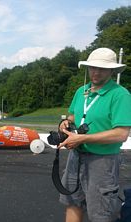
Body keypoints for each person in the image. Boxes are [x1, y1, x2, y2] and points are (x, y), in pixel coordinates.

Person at [58, 48, 131, 222]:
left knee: (101, 213)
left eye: (102, 68)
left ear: (112, 70)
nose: (96, 72)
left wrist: (82, 138)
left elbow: (121, 134)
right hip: (76, 156)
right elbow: (73, 117)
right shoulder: (81, 91)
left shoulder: (120, 95)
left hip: (102, 161)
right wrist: (65, 124)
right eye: (92, 67)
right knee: (73, 202)